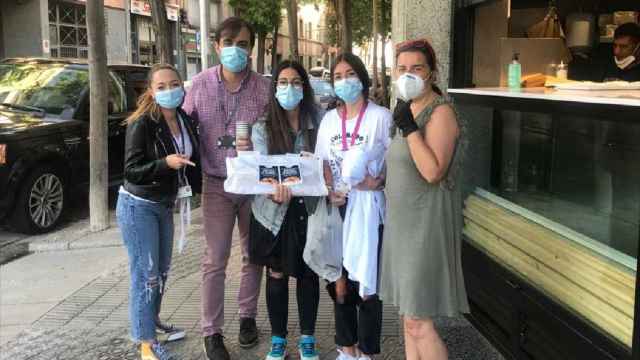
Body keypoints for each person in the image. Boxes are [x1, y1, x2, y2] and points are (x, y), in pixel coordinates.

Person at [182, 16, 271, 360]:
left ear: (251, 48)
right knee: (215, 259)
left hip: (253, 184)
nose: (236, 50)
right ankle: (212, 332)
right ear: (217, 46)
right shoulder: (200, 84)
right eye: (229, 43)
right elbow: (184, 128)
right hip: (216, 183)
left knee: (255, 254)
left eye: (244, 44)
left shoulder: (263, 88)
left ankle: (247, 318)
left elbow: (275, 134)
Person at [379, 38, 470, 360]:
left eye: (416, 67)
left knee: (419, 321)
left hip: (426, 224)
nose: (408, 74)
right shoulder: (407, 108)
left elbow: (433, 171)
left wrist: (409, 128)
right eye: (401, 68)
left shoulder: (440, 112)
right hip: (402, 225)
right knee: (408, 318)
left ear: (431, 72)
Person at [117, 64, 201, 360]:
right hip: (138, 206)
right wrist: (165, 164)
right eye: (161, 86)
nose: (169, 90)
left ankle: (151, 322)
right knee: (146, 274)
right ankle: (146, 342)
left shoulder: (184, 119)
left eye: (174, 84)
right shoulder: (143, 123)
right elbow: (131, 170)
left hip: (164, 204)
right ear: (151, 91)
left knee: (161, 272)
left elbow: (195, 159)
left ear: (183, 86)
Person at [314, 53, 392, 360]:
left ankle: (367, 351)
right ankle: (346, 348)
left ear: (361, 77)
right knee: (340, 282)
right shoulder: (330, 120)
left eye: (349, 74)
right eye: (337, 76)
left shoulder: (380, 117)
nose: (344, 81)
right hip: (338, 209)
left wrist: (381, 180)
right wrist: (331, 189)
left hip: (370, 210)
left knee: (368, 285)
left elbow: (394, 160)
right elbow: (322, 163)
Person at [248, 60, 325, 360]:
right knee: (276, 273)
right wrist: (272, 188)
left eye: (296, 82)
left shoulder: (320, 121)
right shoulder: (262, 126)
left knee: (308, 274)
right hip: (271, 213)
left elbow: (325, 164)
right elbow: (258, 170)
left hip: (310, 210)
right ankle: (278, 339)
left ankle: (308, 338)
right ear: (274, 87)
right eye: (282, 82)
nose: (289, 88)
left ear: (304, 87)